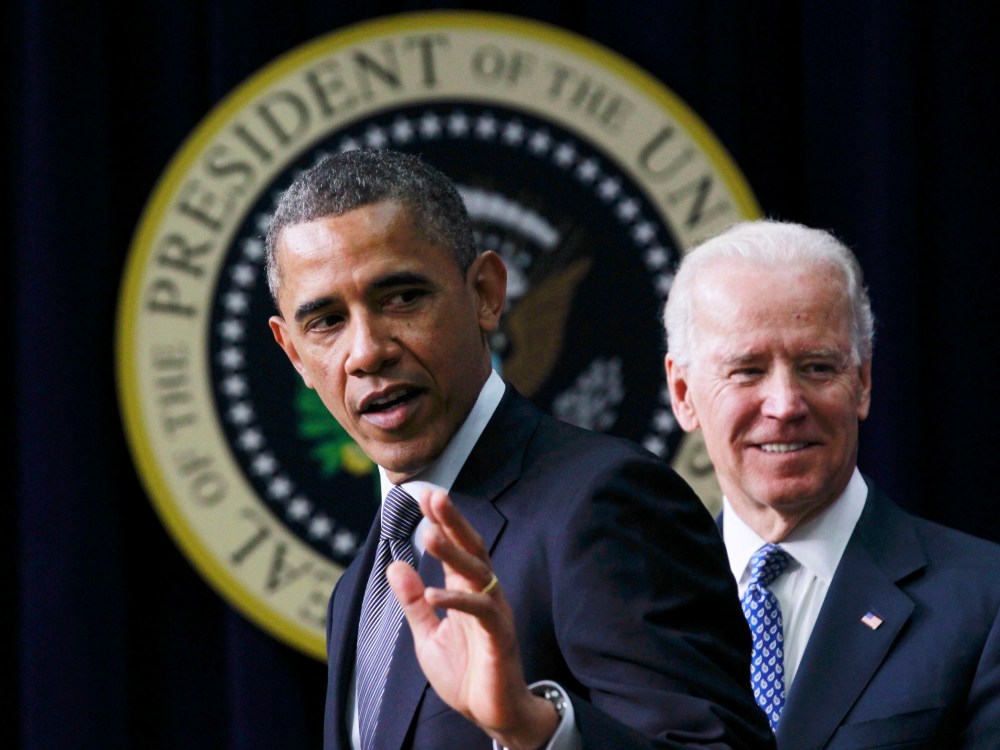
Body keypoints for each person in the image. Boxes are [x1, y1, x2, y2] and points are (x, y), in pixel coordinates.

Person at [266, 149, 774, 750]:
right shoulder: (361, 587)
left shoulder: (603, 504)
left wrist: (536, 730)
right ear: (294, 352)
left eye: (401, 297)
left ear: (485, 293)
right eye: (326, 320)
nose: (367, 351)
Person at [663, 219, 1000, 749]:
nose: (785, 405)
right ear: (683, 393)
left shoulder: (986, 600)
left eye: (817, 367)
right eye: (747, 370)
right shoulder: (638, 605)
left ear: (862, 382)